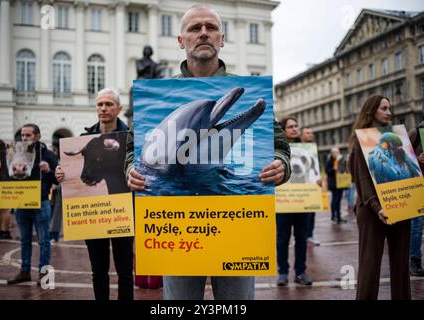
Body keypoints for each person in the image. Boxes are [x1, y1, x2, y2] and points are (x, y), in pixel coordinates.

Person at [126, 4, 291, 300]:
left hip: (235, 231)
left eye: (211, 28)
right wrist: (130, 170)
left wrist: (281, 163)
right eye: (194, 28)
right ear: (181, 41)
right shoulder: (160, 89)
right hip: (178, 227)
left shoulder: (246, 85)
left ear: (222, 38)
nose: (203, 33)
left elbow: (278, 143)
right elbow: (132, 148)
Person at [56, 88, 134, 300]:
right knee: (98, 270)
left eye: (109, 104)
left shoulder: (131, 138)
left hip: (123, 212)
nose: (103, 108)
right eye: (100, 104)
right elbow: (74, 170)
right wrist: (62, 172)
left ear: (119, 109)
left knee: (125, 271)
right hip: (94, 214)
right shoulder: (83, 138)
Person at [349, 95, 411, 300]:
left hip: (400, 205)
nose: (389, 112)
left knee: (401, 265)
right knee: (370, 265)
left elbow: (409, 173)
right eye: (384, 108)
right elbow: (363, 180)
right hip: (371, 210)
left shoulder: (398, 137)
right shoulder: (361, 140)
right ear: (372, 110)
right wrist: (377, 208)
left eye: (389, 108)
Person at [7, 124, 58, 286]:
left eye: (28, 135)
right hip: (21, 203)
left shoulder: (48, 155)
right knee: (24, 240)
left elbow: (58, 179)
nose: (24, 138)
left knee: (44, 241)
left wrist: (49, 170)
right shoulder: (15, 154)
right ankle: (24, 272)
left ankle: (44, 275)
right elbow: (11, 177)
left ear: (37, 136)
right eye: (22, 135)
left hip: (41, 204)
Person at [275, 117, 312, 286]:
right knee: (282, 238)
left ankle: (301, 271)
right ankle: (282, 272)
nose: (294, 129)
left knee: (301, 238)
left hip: (302, 201)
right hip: (283, 201)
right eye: (290, 126)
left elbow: (312, 173)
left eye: (296, 126)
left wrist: (317, 180)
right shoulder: (275, 149)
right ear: (283, 129)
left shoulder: (307, 149)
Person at [300, 127, 322, 246]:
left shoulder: (313, 149)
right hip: (298, 187)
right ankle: (301, 236)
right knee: (300, 215)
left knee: (312, 212)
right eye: (307, 133)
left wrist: (319, 177)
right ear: (301, 135)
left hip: (312, 186)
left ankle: (309, 235)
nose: (310, 135)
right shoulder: (296, 148)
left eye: (311, 133)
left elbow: (315, 167)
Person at [408, 120, 424, 276]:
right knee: (417, 225)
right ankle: (415, 261)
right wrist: (417, 160)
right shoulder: (416, 133)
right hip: (418, 186)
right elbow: (401, 157)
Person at [325, 147, 347, 224]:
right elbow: (327, 171)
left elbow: (344, 169)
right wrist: (333, 169)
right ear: (331, 153)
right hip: (334, 184)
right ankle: (333, 216)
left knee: (339, 200)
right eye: (334, 152)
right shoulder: (329, 160)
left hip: (341, 183)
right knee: (335, 200)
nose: (336, 154)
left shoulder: (341, 160)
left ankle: (338, 217)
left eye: (337, 152)